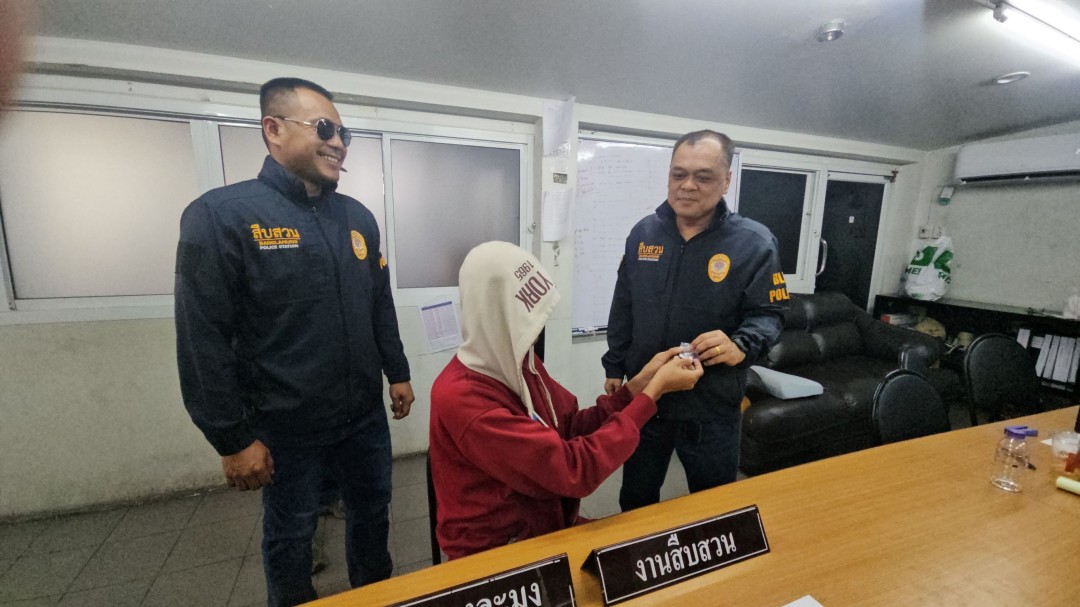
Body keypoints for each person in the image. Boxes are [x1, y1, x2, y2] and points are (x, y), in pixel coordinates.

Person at [174, 77, 414, 606]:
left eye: (344, 133)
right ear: (274, 129)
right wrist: (231, 438)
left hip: (362, 418)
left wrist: (397, 371)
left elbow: (378, 302)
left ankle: (376, 596)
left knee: (373, 515)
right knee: (291, 534)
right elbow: (201, 338)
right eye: (324, 128)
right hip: (286, 426)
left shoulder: (357, 218)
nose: (338, 142)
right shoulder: (221, 216)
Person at [429, 241, 703, 559]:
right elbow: (573, 469)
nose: (536, 330)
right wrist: (653, 394)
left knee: (645, 541)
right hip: (497, 551)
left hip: (543, 524)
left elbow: (568, 427)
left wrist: (637, 386)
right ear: (498, 315)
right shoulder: (464, 399)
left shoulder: (517, 362)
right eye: (528, 318)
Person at [602, 130, 789, 512]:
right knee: (636, 500)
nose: (687, 186)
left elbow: (770, 314)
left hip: (711, 407)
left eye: (703, 176)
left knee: (714, 506)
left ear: (726, 180)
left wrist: (741, 345)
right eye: (678, 174)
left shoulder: (755, 243)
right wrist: (615, 365)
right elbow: (624, 305)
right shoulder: (643, 233)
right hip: (648, 399)